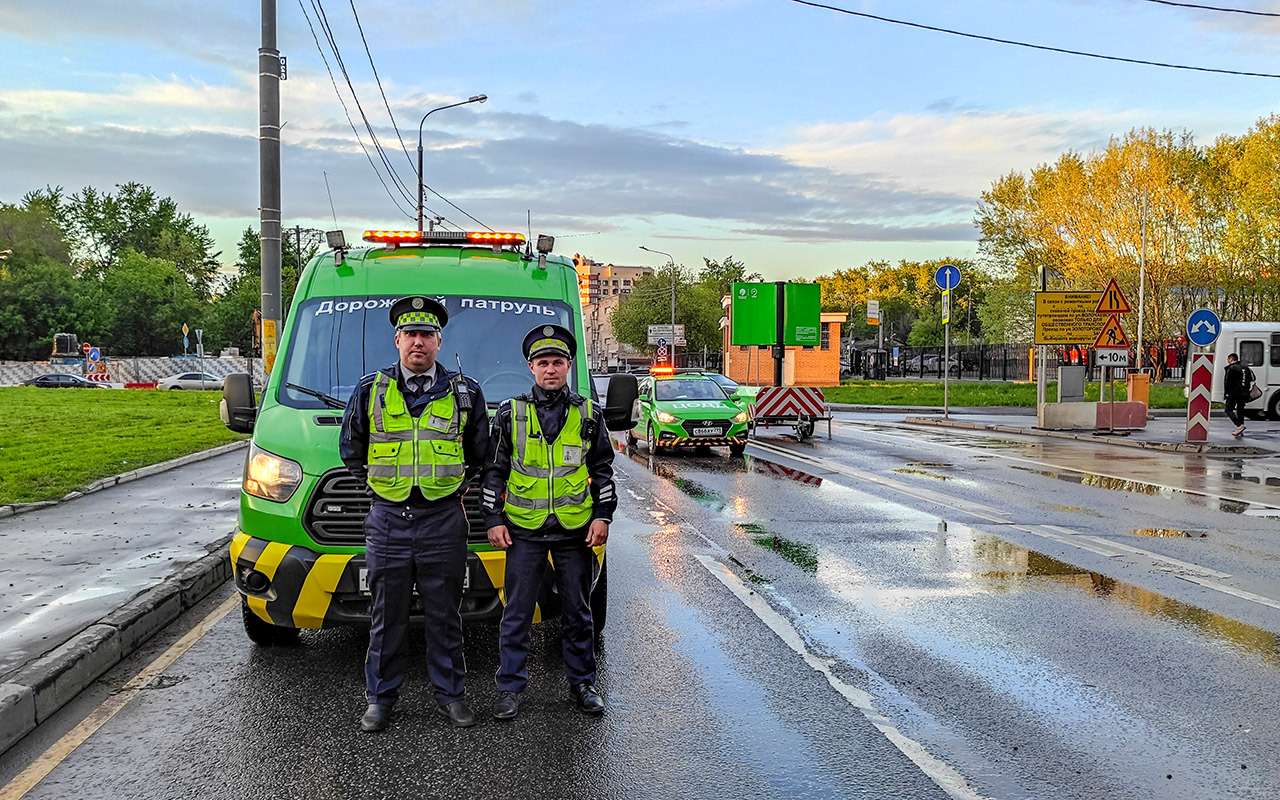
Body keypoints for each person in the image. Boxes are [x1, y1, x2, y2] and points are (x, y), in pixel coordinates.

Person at [339, 295, 490, 732]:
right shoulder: (371, 389)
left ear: (439, 342)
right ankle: (380, 700)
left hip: (443, 519)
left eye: (426, 335)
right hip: (388, 519)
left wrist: (459, 489)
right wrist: (375, 490)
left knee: (446, 613)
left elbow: (480, 453)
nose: (418, 343)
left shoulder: (465, 392)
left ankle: (452, 696)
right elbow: (351, 449)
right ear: (397, 341)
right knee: (387, 614)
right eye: (410, 335)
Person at [480, 323, 616, 720]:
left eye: (557, 361)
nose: (550, 369)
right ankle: (510, 688)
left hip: (575, 530)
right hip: (524, 529)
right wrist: (493, 518)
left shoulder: (589, 414)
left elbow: (603, 470)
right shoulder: (511, 414)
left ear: (569, 366)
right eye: (543, 362)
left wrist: (603, 516)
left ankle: (583, 684)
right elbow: (494, 471)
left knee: (578, 610)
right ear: (531, 367)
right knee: (517, 612)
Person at [1223, 352, 1254, 438]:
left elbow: (1227, 382)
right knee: (1240, 411)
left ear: (1231, 359)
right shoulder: (1245, 368)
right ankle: (1240, 430)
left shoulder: (1231, 368)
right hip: (1244, 393)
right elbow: (1252, 378)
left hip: (1234, 393)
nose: (1227, 361)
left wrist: (1226, 394)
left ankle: (1239, 426)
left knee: (1228, 410)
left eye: (1228, 359)